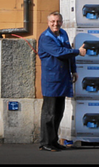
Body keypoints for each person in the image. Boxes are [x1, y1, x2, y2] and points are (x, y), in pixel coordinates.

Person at [38, 11, 86, 152]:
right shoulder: (45, 37)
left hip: (63, 78)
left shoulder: (63, 33)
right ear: (48, 22)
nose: (55, 24)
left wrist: (74, 70)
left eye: (58, 21)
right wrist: (78, 51)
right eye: (52, 21)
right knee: (49, 112)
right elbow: (59, 52)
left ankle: (54, 141)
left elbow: (68, 53)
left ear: (61, 22)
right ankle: (45, 142)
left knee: (59, 111)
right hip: (51, 80)